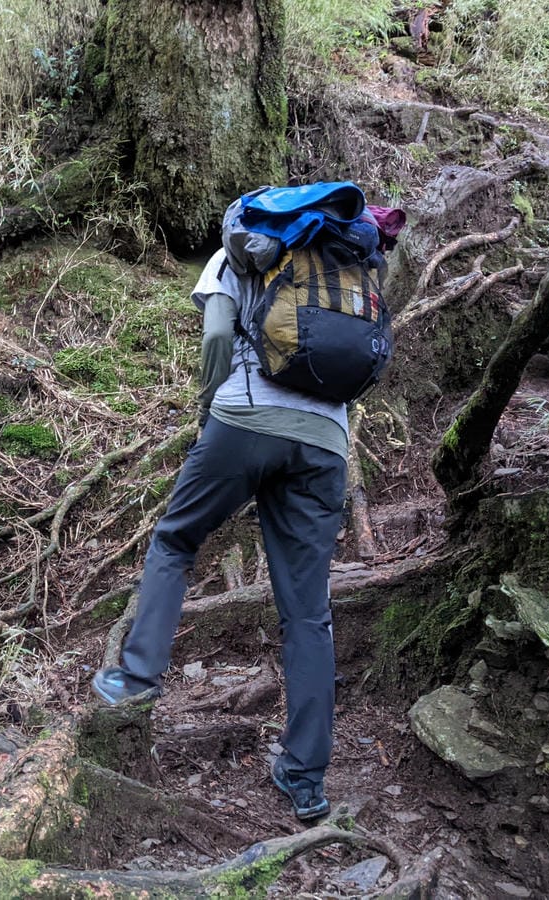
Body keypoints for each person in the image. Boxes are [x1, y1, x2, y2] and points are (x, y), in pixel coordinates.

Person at [91, 246, 350, 822]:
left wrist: (213, 411)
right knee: (308, 612)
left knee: (176, 540)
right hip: (327, 441)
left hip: (245, 420)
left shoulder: (240, 251)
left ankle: (136, 678)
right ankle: (305, 778)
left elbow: (214, 339)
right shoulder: (344, 268)